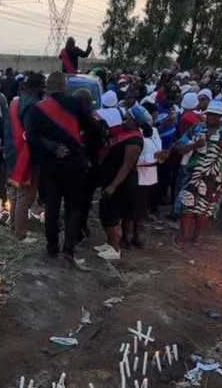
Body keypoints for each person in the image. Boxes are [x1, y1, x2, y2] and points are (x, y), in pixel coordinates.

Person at [25, 71, 98, 264]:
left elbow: (31, 137)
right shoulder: (76, 104)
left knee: (52, 208)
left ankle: (51, 248)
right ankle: (68, 249)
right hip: (74, 164)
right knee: (74, 207)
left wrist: (52, 147)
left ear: (47, 88)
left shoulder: (36, 109)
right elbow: (92, 127)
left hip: (50, 166)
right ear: (65, 86)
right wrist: (78, 142)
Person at [174, 100, 222, 246]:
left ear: (221, 116)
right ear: (206, 114)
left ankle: (197, 237)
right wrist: (195, 145)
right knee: (187, 205)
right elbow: (179, 147)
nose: (212, 118)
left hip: (214, 177)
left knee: (206, 209)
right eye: (210, 114)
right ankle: (184, 235)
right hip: (193, 174)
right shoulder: (197, 128)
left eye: (216, 115)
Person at [95, 105, 143, 253]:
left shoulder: (134, 140)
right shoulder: (124, 133)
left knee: (112, 213)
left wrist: (113, 186)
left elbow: (126, 166)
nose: (125, 120)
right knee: (105, 211)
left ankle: (115, 248)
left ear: (135, 122)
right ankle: (109, 243)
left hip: (121, 182)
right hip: (111, 178)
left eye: (128, 118)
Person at [7, 73, 43, 239]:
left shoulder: (15, 102)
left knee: (15, 193)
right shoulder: (33, 105)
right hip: (25, 155)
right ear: (38, 88)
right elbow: (31, 134)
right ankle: (20, 233)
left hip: (12, 152)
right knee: (25, 195)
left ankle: (14, 227)